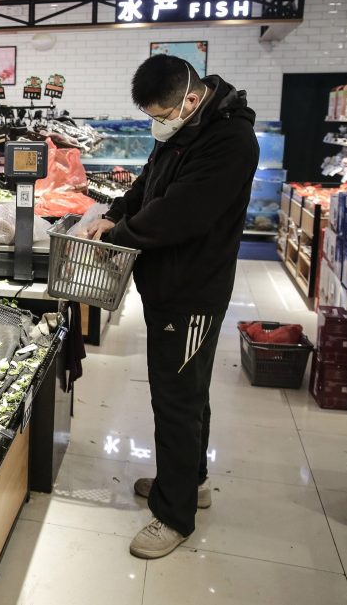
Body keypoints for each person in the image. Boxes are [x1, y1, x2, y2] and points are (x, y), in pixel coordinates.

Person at [86, 54, 259, 559]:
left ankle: (174, 515)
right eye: (153, 117)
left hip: (192, 291)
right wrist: (116, 211)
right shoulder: (186, 130)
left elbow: (183, 211)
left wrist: (120, 233)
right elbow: (149, 183)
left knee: (177, 400)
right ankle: (190, 482)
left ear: (190, 97)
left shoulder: (229, 140)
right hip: (169, 285)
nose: (158, 125)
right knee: (189, 390)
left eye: (163, 114)